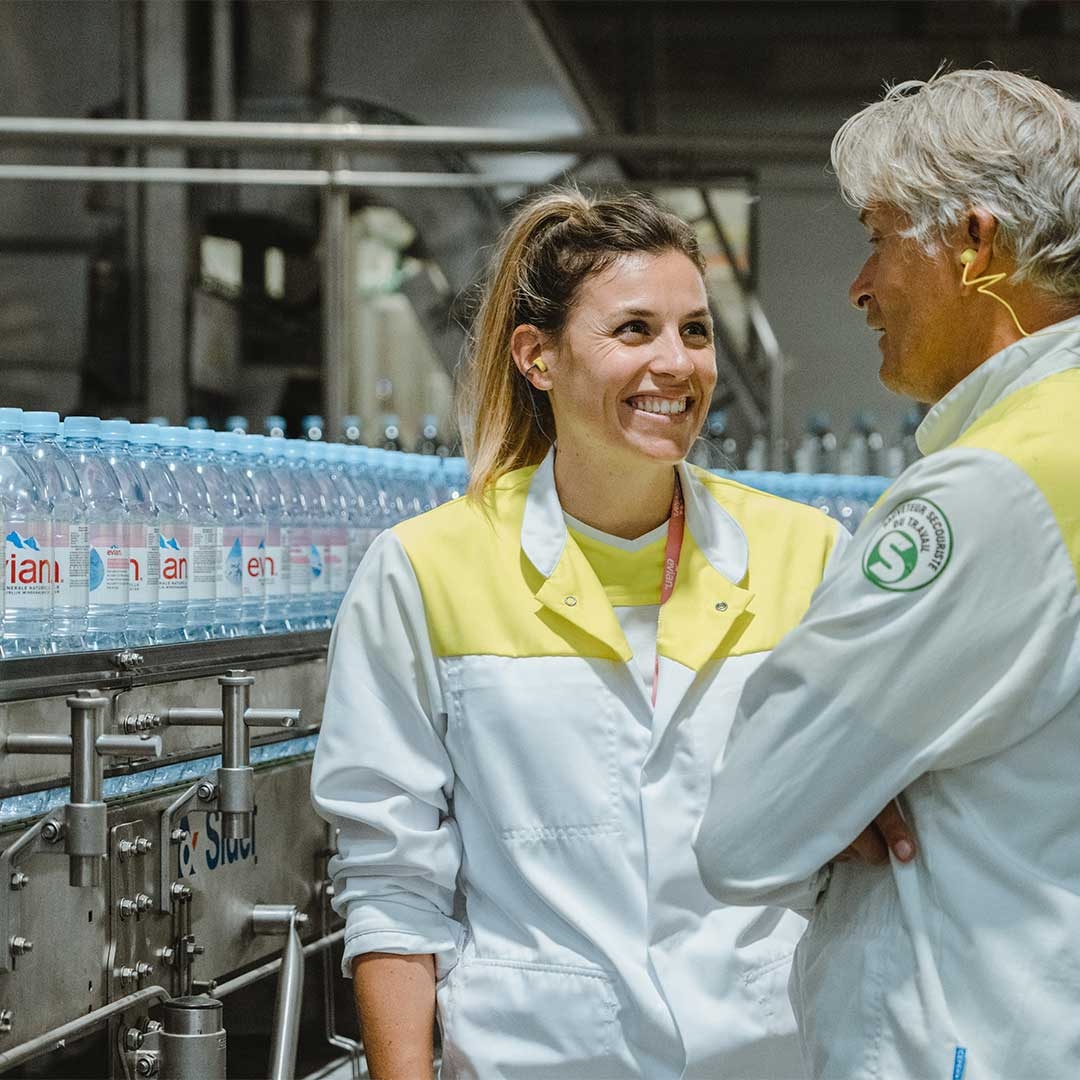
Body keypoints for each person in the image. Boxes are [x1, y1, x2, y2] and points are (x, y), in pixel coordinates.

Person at [310, 189, 850, 1079]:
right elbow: (392, 885)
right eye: (634, 330)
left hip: (768, 1053)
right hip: (540, 1058)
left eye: (696, 331)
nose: (676, 362)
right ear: (538, 357)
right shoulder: (426, 570)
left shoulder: (807, 554)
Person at [694, 68, 1080, 1080]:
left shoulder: (993, 489)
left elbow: (747, 832)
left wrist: (833, 792)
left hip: (969, 1037)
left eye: (879, 237)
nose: (860, 286)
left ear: (977, 245)